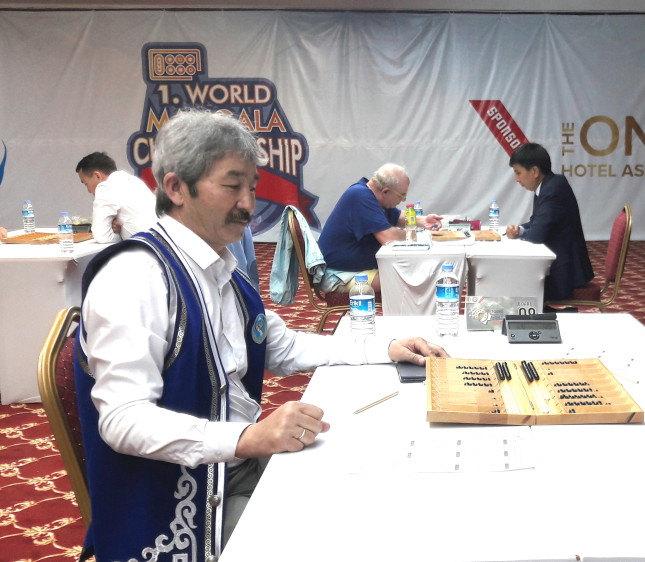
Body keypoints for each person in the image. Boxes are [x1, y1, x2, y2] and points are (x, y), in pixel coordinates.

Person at [74, 109, 448, 561]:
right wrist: (248, 439)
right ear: (175, 188)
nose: (248, 205)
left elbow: (282, 345)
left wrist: (384, 347)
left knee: (377, 491)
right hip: (176, 505)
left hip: (234, 466)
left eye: (252, 188)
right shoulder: (135, 277)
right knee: (344, 538)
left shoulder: (222, 270)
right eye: (232, 186)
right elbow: (122, 420)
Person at [317, 163, 443, 292]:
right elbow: (389, 238)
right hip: (339, 275)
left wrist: (423, 221)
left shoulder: (373, 195)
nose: (403, 200)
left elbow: (398, 217)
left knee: (413, 274)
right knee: (410, 280)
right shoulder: (360, 196)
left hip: (351, 270)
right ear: (386, 191)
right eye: (402, 196)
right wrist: (418, 236)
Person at [505, 143, 594, 301]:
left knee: (510, 283)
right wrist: (520, 229)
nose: (516, 179)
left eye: (518, 173)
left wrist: (522, 235)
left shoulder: (553, 190)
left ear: (534, 171)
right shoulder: (549, 184)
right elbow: (536, 221)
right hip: (558, 265)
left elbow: (536, 236)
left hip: (563, 276)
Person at [75, 151, 158, 243]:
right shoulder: (134, 181)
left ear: (97, 176)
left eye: (86, 184)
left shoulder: (106, 186)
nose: (89, 191)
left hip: (147, 247)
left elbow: (101, 235)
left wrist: (119, 234)